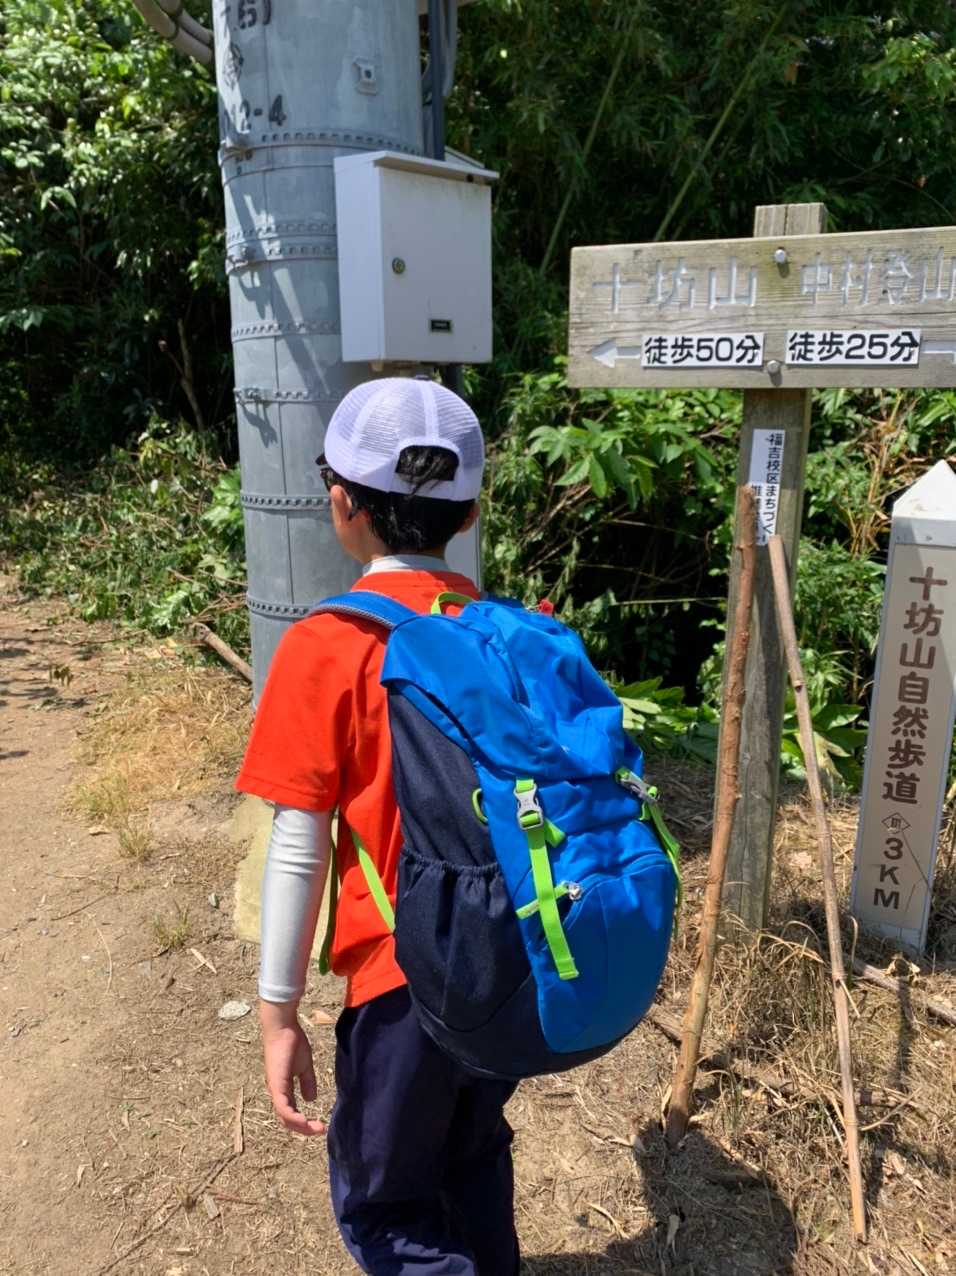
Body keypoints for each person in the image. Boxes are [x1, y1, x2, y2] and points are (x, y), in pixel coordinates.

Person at [235, 377, 520, 1275]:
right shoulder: (509, 632)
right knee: (474, 1152)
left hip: (404, 983)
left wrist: (278, 1011)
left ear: (341, 504)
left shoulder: (325, 647)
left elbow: (298, 846)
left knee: (387, 1205)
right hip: (512, 960)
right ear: (469, 512)